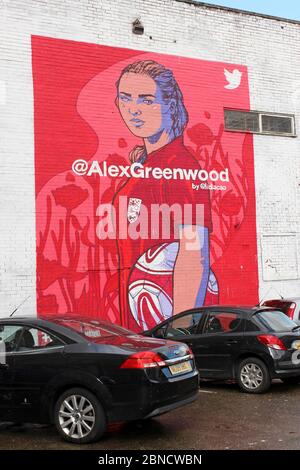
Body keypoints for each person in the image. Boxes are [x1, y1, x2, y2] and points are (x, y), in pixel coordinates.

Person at [112, 59, 217, 331]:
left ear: (170, 105)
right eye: (125, 98)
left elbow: (194, 255)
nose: (133, 109)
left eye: (147, 100)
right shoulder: (148, 164)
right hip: (140, 325)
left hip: (161, 331)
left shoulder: (179, 167)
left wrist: (181, 331)